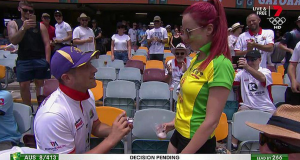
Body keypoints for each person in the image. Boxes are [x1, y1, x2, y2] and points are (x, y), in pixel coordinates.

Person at [162, 0, 234, 154]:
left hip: (196, 143)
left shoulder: (220, 64)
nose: (184, 37)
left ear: (209, 29)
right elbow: (191, 103)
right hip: (179, 134)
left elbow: (211, 122)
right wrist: (174, 123)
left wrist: (185, 155)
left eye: (189, 31)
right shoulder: (196, 59)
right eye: (182, 30)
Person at [34, 46, 132, 154]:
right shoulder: (53, 116)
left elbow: (96, 126)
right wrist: (111, 139)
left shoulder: (86, 94)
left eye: (90, 64)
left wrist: (116, 130)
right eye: (85, 67)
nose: (94, 70)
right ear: (67, 78)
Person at [7, 0, 51, 107]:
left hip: (39, 58)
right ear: (19, 9)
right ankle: (28, 109)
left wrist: (47, 61)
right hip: (23, 59)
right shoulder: (14, 24)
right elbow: (14, 40)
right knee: (23, 85)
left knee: (40, 86)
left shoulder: (40, 26)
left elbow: (47, 44)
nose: (28, 13)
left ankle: (41, 108)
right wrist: (23, 28)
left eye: (31, 11)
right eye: (25, 10)